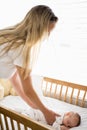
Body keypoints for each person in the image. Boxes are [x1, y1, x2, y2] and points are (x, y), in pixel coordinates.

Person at [0, 5, 58, 125]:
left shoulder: (10, 35)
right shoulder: (21, 47)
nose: (47, 36)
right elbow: (29, 89)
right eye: (47, 31)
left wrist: (31, 104)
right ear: (39, 28)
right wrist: (46, 112)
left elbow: (14, 78)